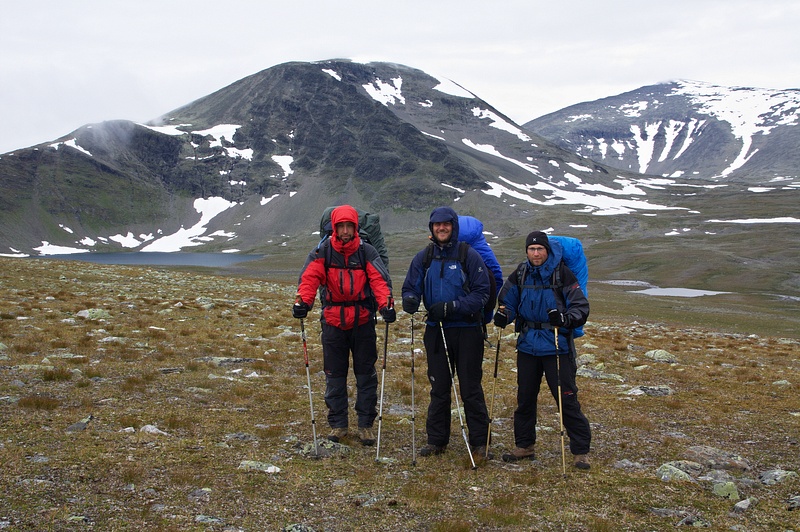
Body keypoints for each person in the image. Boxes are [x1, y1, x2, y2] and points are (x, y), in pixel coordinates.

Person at [293, 204, 395, 446]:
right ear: (335, 228)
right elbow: (309, 279)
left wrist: (386, 305)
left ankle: (365, 425)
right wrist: (303, 302)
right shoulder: (322, 251)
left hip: (362, 322)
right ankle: (338, 425)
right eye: (342, 226)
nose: (346, 231)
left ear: (356, 228)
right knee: (334, 376)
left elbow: (379, 281)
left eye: (350, 226)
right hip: (333, 323)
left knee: (366, 375)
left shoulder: (366, 251)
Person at [493, 231, 592, 469]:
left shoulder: (562, 274)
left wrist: (565, 319)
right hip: (528, 345)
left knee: (565, 399)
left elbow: (580, 306)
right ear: (526, 251)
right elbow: (508, 300)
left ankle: (580, 451)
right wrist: (503, 315)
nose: (536, 253)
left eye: (540, 249)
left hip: (557, 344)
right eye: (531, 249)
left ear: (547, 251)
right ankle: (525, 446)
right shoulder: (521, 272)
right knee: (525, 398)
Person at [401, 206, 492, 460]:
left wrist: (452, 307)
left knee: (470, 387)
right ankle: (436, 440)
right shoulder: (424, 257)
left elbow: (482, 294)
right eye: (436, 224)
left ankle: (480, 443)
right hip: (436, 330)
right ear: (431, 228)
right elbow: (411, 286)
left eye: (446, 224)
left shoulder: (469, 255)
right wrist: (409, 299)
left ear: (454, 226)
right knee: (438, 386)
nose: (441, 228)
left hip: (467, 331)